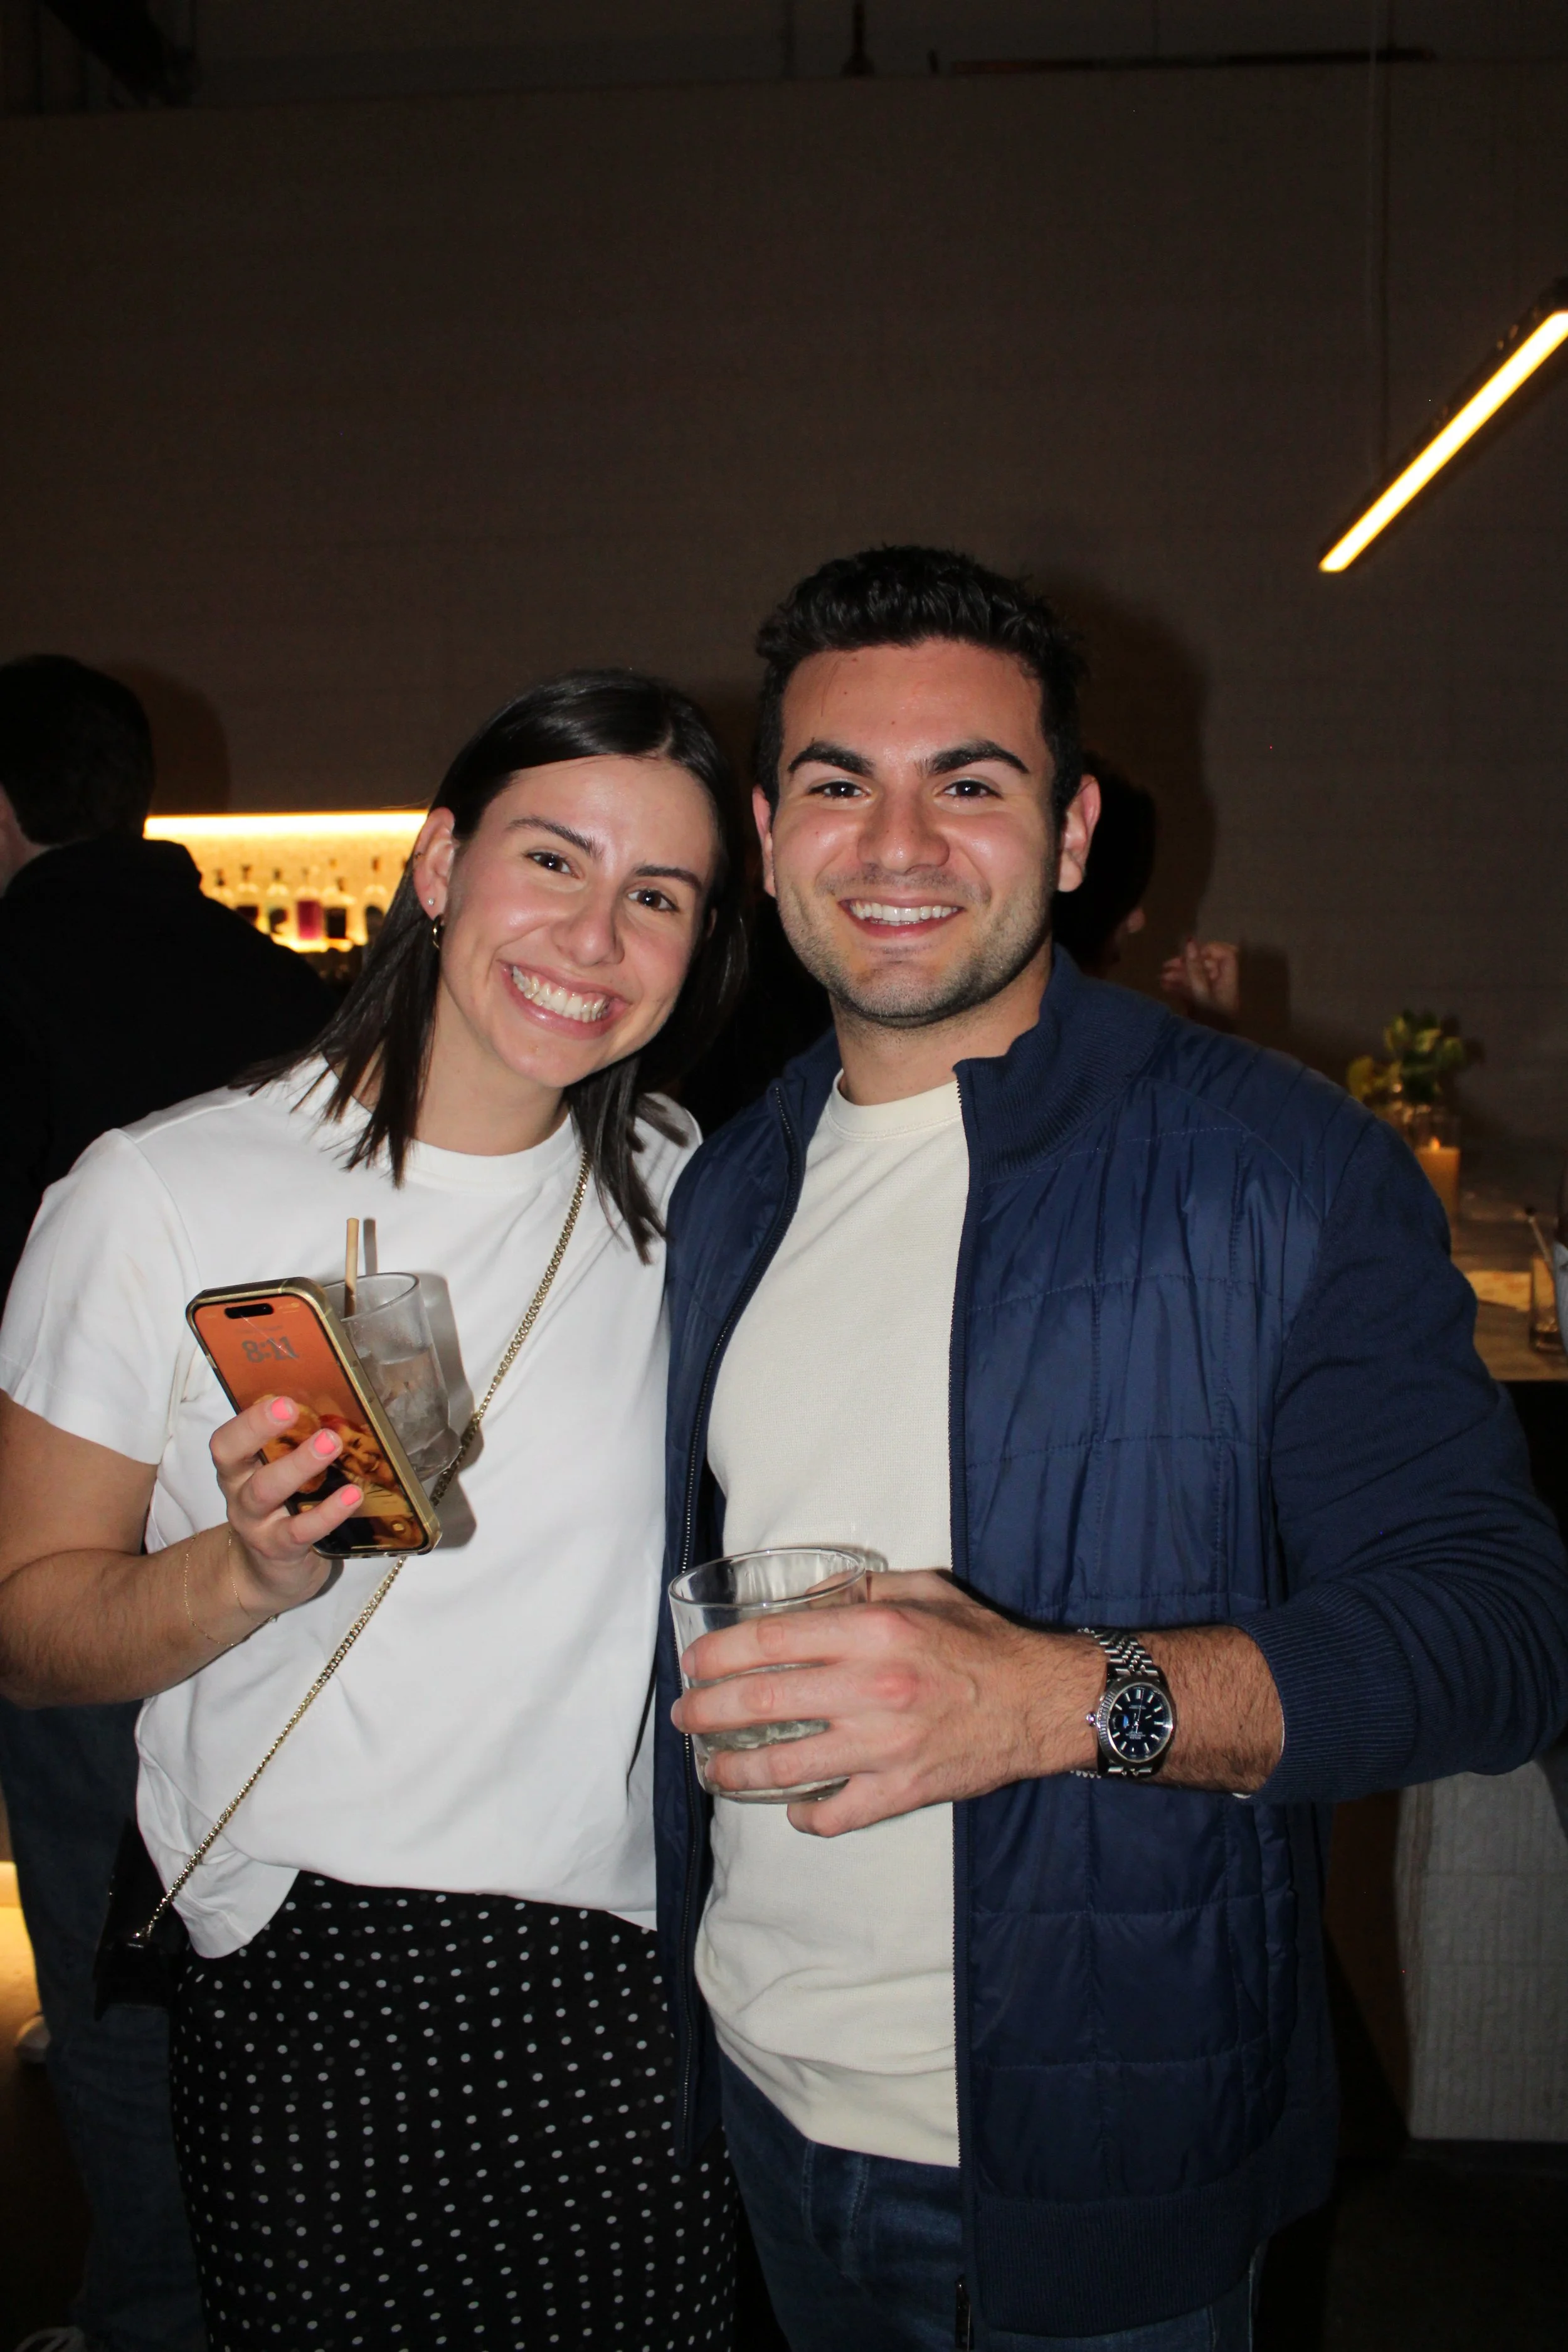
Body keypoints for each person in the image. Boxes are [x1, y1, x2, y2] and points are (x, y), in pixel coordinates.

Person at [653, 546, 1568, 2351]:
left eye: (968, 783)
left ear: (1070, 833)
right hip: (760, 2085)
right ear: (766, 836)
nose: (897, 844)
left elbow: (1499, 1631)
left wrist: (1064, 1699)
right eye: (837, 784)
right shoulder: (732, 1177)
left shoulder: (1274, 1165)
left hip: (1105, 2145)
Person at [0, 670, 749, 2351]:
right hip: (317, 1966)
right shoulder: (160, 1191)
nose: (594, 935)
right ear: (437, 862)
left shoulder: (688, 1190)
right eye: (551, 860)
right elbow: (28, 1626)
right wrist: (243, 1570)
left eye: (658, 896)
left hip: (633, 1961)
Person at [0, 654, 327, 2352]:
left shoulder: (11, 984)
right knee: (240, 1928)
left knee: (103, 1947)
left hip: (83, 1555)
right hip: (286, 1529)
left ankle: (153, 2306)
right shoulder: (283, 983)